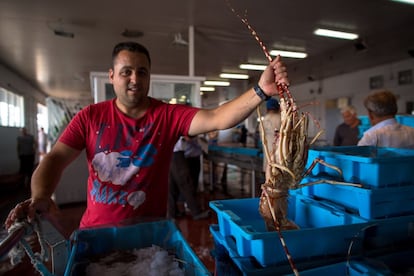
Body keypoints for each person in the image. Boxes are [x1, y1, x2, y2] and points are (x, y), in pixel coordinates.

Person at [5, 41, 289, 229]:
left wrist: (261, 91)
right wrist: (41, 195)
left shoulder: (166, 116)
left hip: (151, 233)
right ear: (112, 76)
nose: (135, 79)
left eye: (142, 72)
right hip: (96, 232)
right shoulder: (90, 117)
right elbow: (54, 158)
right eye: (126, 71)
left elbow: (217, 117)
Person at [168, 137, 209, 220]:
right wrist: (201, 143)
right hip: (177, 154)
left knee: (172, 185)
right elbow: (187, 137)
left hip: (169, 152)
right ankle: (196, 212)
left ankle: (172, 213)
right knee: (186, 182)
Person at [261, 98, 281, 182]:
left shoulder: (263, 120)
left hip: (267, 156)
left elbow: (262, 138)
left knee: (268, 180)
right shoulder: (280, 118)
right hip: (280, 157)